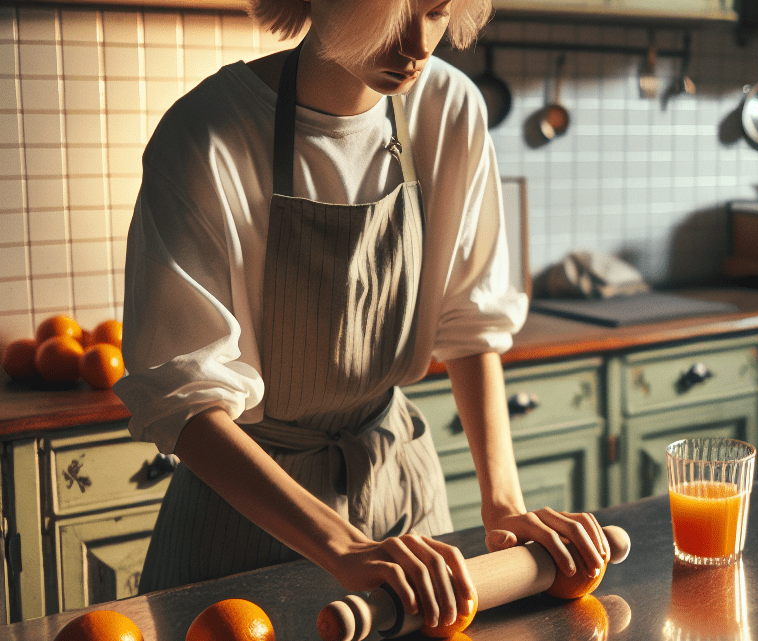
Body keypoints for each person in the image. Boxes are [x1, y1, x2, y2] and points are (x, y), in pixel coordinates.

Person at [113, 0, 609, 631]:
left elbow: (469, 326)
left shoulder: (450, 109)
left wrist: (504, 506)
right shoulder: (210, 132)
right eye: (388, 13)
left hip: (402, 497)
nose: (417, 44)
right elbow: (186, 402)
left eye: (434, 13)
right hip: (244, 523)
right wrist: (342, 546)